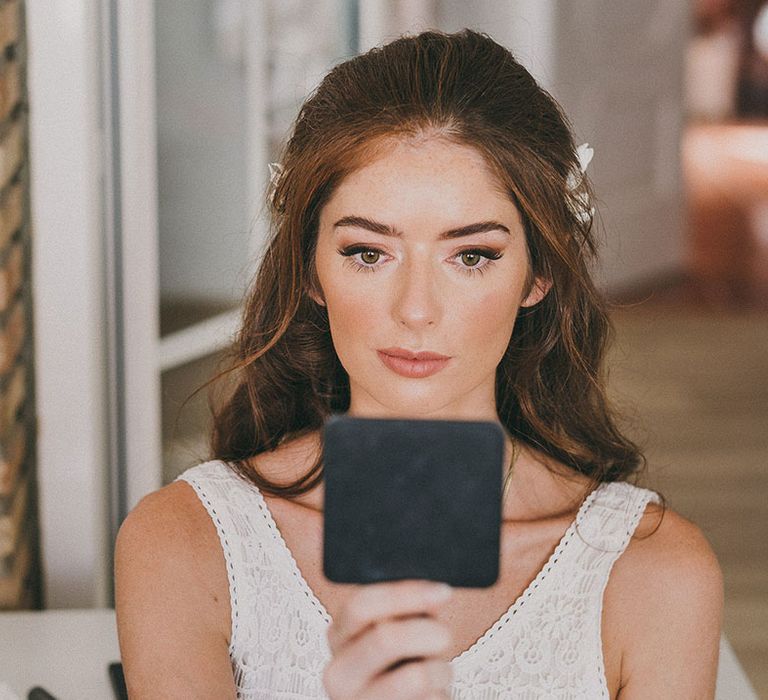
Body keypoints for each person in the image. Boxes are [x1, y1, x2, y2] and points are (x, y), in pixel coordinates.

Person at [115, 29, 724, 698]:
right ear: (312, 268)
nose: (415, 310)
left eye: (472, 256)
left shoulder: (653, 573)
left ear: (537, 275)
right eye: (368, 253)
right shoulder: (182, 546)